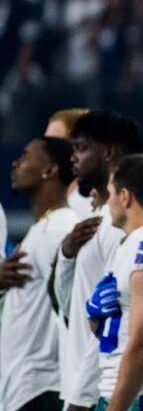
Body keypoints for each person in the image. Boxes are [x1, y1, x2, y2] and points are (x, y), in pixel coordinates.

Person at [53, 111, 143, 411]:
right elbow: (70, 308)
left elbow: (113, 323)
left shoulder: (122, 228)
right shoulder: (95, 221)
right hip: (82, 388)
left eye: (81, 148)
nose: (73, 158)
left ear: (109, 152)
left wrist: (81, 398)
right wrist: (66, 256)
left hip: (101, 392)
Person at [0, 137, 78, 411]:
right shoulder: (43, 228)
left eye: (26, 156)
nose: (16, 162)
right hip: (23, 386)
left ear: (50, 170)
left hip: (43, 387)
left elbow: (73, 311)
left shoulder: (62, 231)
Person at [89, 154, 143, 410]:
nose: (108, 202)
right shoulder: (129, 242)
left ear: (125, 197)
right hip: (118, 389)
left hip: (139, 395)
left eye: (110, 193)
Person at [45, 108, 93, 219]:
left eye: (53, 143)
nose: (44, 149)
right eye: (45, 142)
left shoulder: (89, 206)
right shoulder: (52, 205)